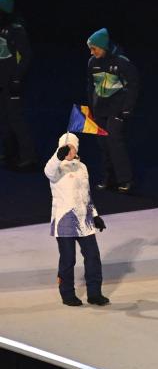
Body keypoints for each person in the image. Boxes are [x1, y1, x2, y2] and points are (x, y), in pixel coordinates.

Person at [44, 132, 110, 306]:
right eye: (65, 148)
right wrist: (58, 156)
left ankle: (95, 293)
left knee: (93, 256)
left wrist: (95, 215)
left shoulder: (82, 167)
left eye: (71, 147)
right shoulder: (57, 166)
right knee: (68, 259)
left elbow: (86, 194)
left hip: (85, 221)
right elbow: (48, 171)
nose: (69, 151)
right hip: (65, 222)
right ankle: (67, 294)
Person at [86, 28, 139, 193]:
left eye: (94, 48)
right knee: (103, 144)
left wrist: (127, 109)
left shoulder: (121, 62)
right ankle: (109, 179)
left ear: (103, 47)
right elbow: (90, 86)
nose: (92, 52)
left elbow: (134, 85)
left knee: (114, 141)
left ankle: (125, 180)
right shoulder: (92, 63)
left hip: (117, 109)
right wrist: (91, 108)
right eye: (90, 49)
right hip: (100, 109)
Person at [0, 0, 37, 170]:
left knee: (16, 119)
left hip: (12, 82)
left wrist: (16, 79)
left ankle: (28, 156)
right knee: (5, 118)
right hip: (2, 82)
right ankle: (9, 152)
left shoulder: (16, 30)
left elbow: (26, 56)